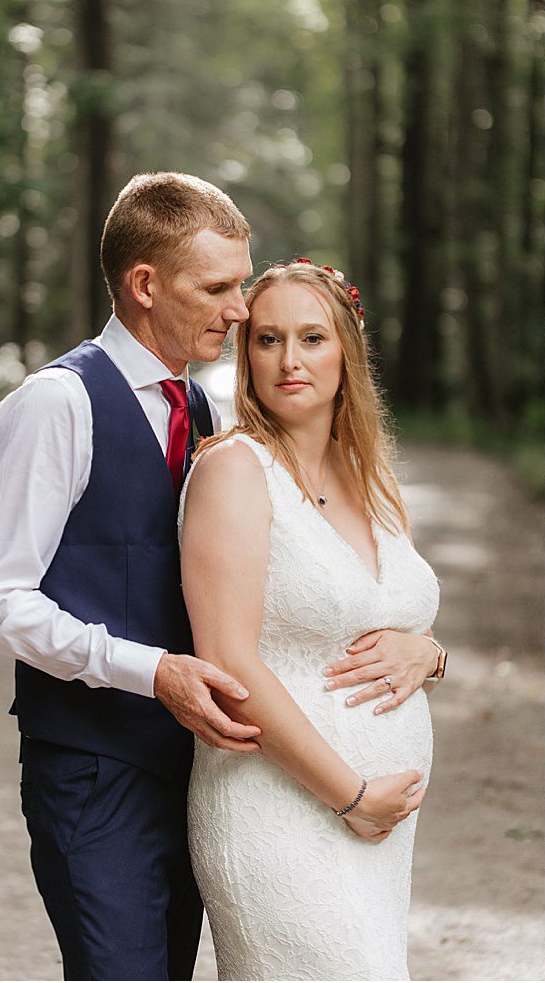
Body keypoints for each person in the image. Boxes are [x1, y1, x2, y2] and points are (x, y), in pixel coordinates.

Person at [0, 172, 264, 980]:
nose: (240, 310)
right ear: (144, 285)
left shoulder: (198, 410)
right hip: (92, 775)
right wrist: (150, 670)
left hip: (189, 771)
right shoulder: (56, 404)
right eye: (218, 287)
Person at [179, 259, 442, 979]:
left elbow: (394, 615)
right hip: (278, 805)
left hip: (379, 826)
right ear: (246, 355)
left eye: (311, 338)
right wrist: (350, 794)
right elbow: (229, 662)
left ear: (346, 352)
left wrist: (430, 653)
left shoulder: (370, 476)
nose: (289, 360)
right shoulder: (234, 469)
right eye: (266, 340)